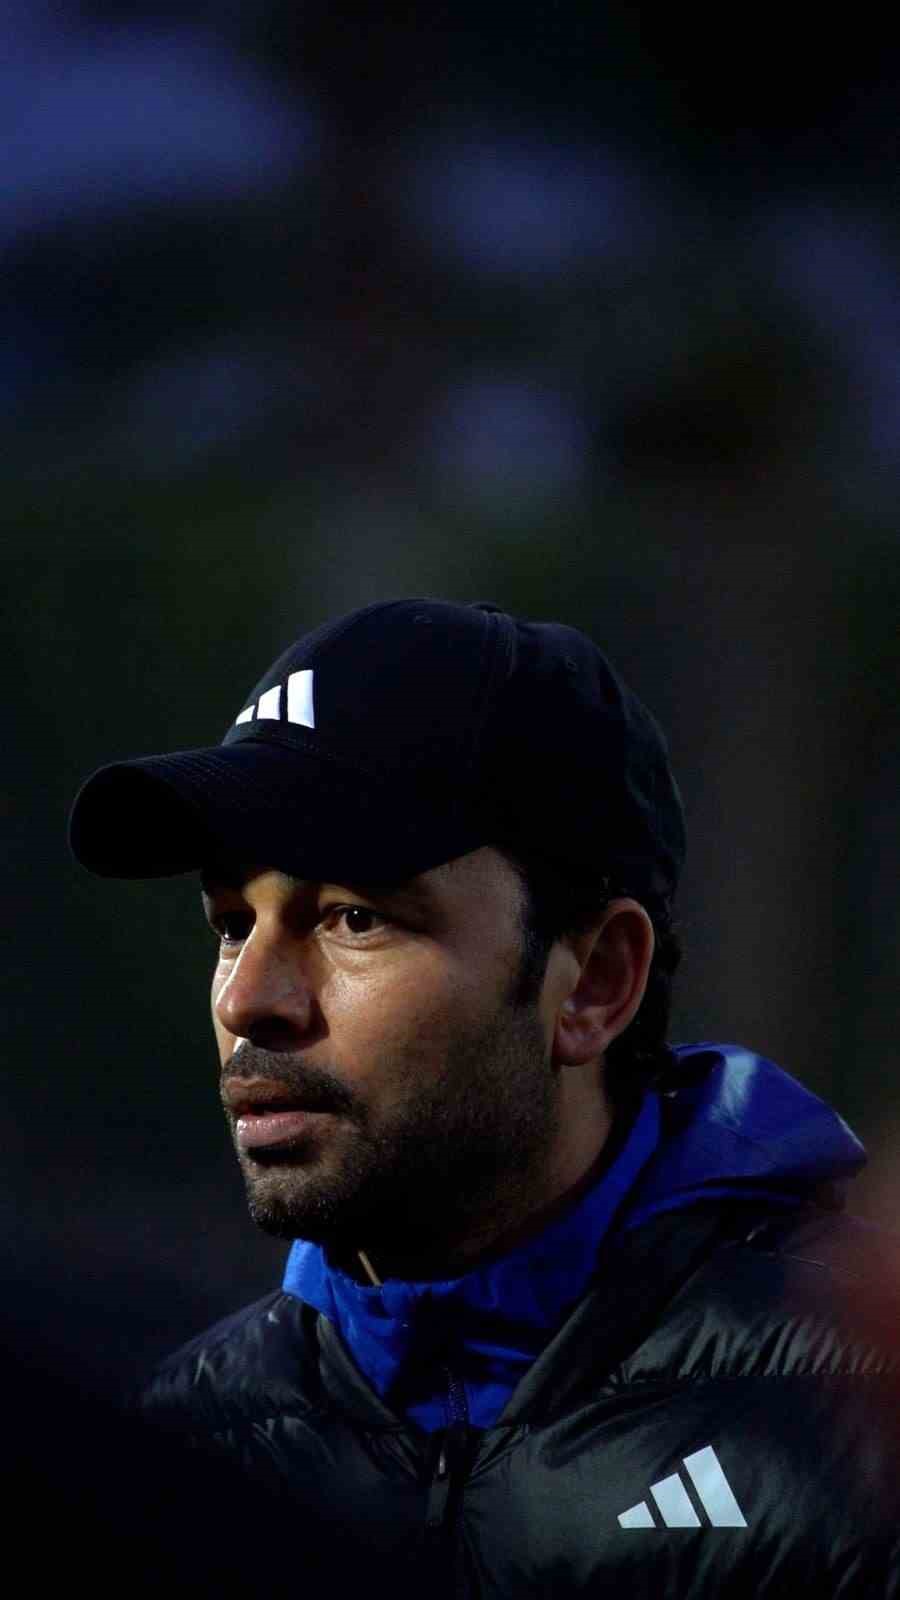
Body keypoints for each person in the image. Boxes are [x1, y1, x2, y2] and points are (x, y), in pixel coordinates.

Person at [70, 598, 900, 1596]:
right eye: (232, 924)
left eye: (354, 918)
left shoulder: (863, 1423)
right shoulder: (171, 1457)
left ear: (594, 983)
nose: (248, 999)